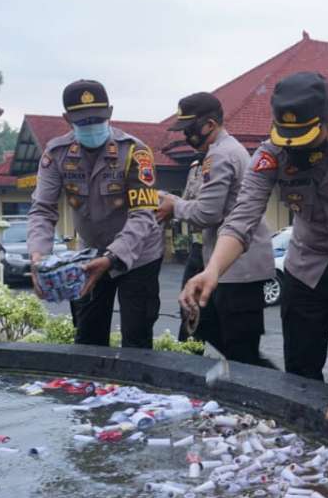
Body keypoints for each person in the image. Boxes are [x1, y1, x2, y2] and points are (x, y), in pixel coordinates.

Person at [180, 71, 328, 394]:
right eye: (287, 138)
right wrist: (212, 271)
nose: (294, 150)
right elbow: (243, 217)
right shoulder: (270, 154)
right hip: (305, 268)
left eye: (306, 139)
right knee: (300, 372)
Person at [27, 79, 164, 348]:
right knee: (88, 337)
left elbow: (143, 214)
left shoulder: (135, 153)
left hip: (138, 256)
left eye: (97, 119)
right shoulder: (56, 154)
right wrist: (37, 257)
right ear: (67, 119)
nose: (91, 126)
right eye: (83, 121)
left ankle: (133, 388)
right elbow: (43, 210)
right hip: (90, 256)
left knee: (137, 339)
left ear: (110, 113)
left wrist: (113, 257)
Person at [157, 92, 276, 367]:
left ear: (209, 124)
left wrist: (175, 206)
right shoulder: (222, 151)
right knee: (198, 329)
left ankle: (275, 391)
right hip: (227, 266)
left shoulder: (220, 155)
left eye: (189, 129)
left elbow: (206, 213)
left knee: (241, 352)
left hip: (239, 269)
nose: (185, 135)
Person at [176, 156, 206, 342]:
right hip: (197, 246)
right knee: (187, 305)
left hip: (219, 248)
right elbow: (186, 199)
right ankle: (189, 356)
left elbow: (208, 208)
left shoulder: (224, 160)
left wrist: (175, 207)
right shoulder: (195, 167)